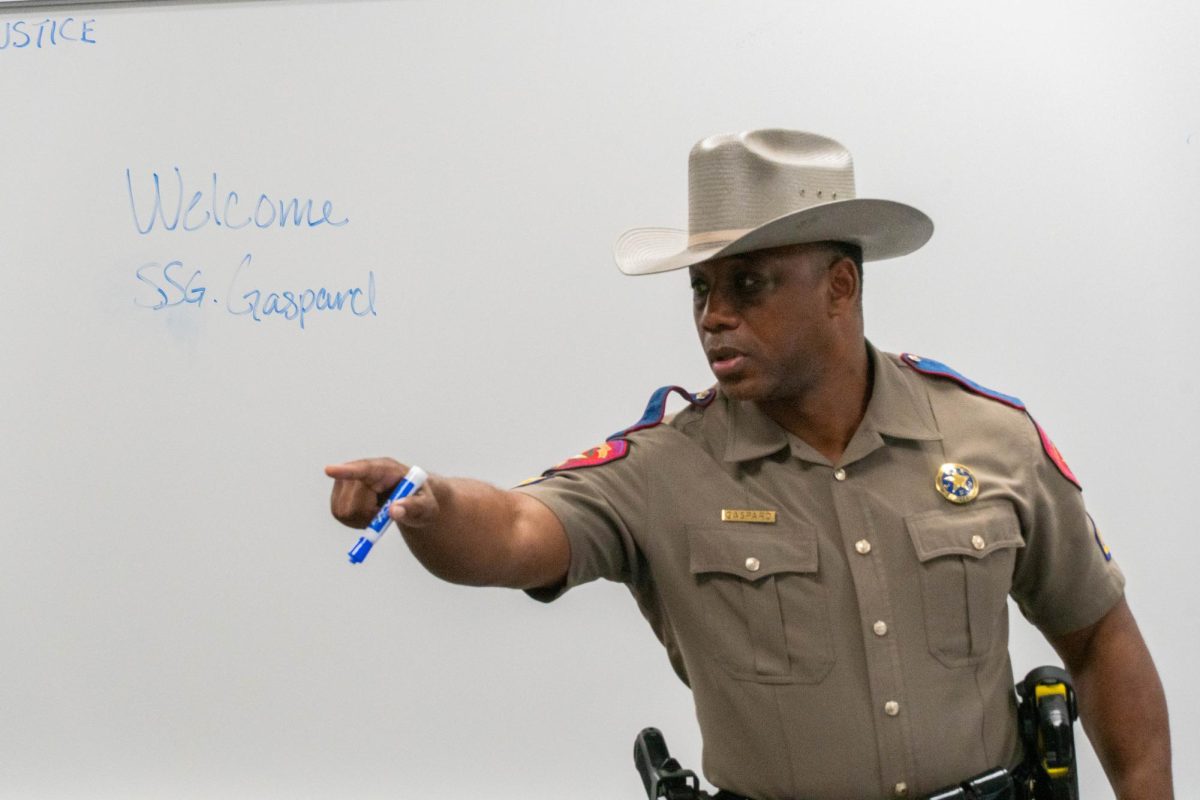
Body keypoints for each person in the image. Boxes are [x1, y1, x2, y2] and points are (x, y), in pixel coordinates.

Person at [326, 130, 1172, 799]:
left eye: (750, 285)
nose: (714, 317)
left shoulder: (989, 440)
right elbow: (514, 529)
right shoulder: (663, 469)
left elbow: (1098, 634)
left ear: (840, 286)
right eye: (700, 290)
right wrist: (429, 505)